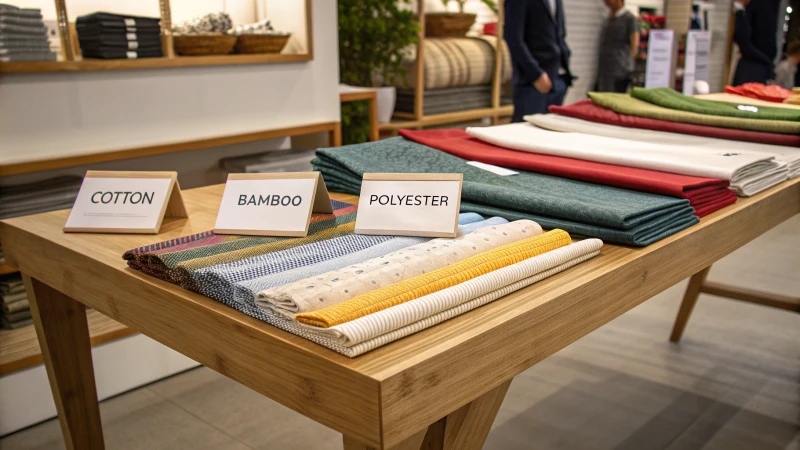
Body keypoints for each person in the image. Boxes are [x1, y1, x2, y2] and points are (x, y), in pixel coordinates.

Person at [505, 0, 575, 122]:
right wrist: (536, 75)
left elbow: (560, 33)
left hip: (559, 79)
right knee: (524, 135)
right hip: (534, 81)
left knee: (550, 136)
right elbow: (514, 38)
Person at [596, 0, 639, 92]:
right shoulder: (608, 19)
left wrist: (628, 65)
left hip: (620, 68)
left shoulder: (629, 18)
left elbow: (634, 43)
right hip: (605, 67)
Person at [732, 0, 779, 85]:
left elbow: (742, 38)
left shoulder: (757, 7)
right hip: (760, 64)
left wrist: (739, 11)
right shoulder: (767, 6)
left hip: (753, 67)